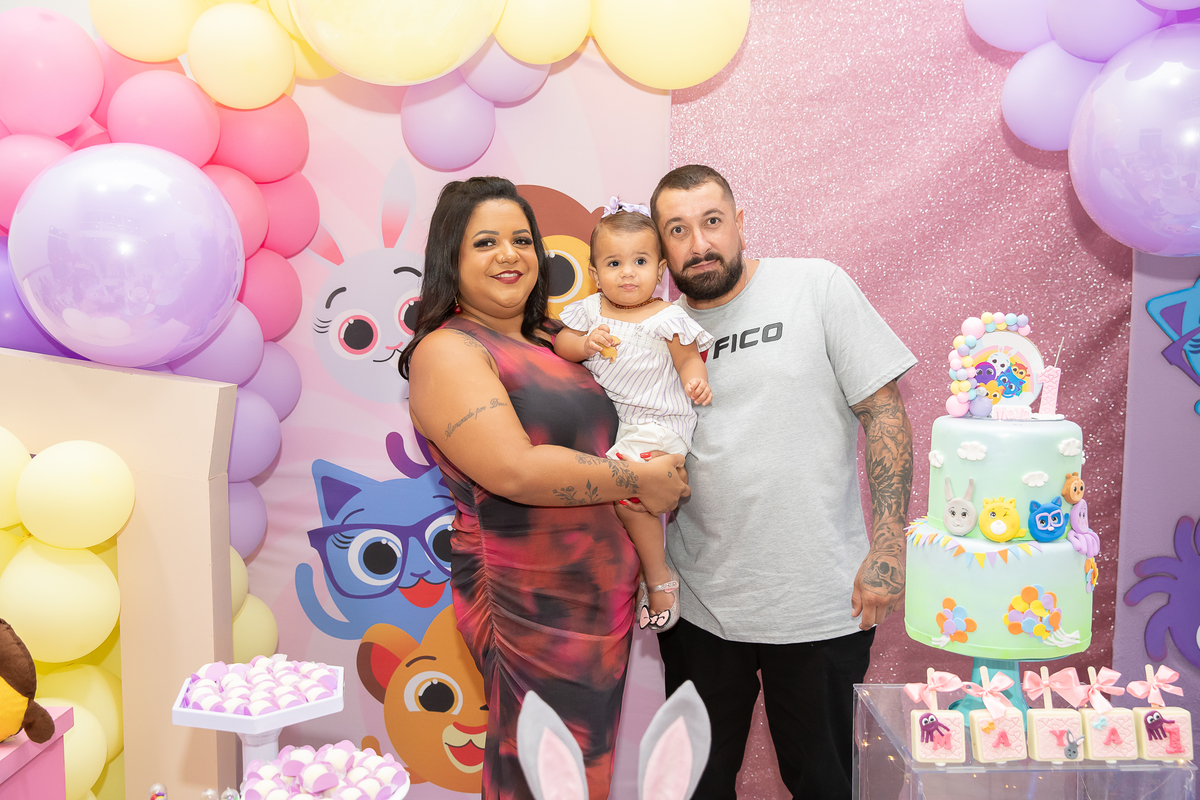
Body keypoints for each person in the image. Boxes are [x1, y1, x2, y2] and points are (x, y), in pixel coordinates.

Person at [398, 176, 690, 800]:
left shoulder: (552, 338)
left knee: (582, 775)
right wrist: (641, 479)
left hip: (599, 599)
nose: (509, 255)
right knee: (539, 774)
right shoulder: (448, 350)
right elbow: (515, 471)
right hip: (528, 603)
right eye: (485, 242)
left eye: (522, 240)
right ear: (451, 257)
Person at [649, 165, 916, 800]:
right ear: (661, 249)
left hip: (822, 603)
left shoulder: (815, 286)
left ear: (740, 223)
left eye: (712, 222)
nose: (699, 244)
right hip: (701, 608)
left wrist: (889, 545)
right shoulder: (657, 334)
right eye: (678, 230)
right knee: (694, 787)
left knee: (825, 785)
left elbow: (882, 411)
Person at [554, 199, 714, 631]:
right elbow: (561, 345)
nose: (628, 273)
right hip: (622, 423)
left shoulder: (666, 316)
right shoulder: (591, 312)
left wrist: (695, 380)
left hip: (661, 423)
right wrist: (584, 343)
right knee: (616, 499)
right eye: (614, 263)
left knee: (626, 491)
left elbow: (688, 359)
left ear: (660, 270)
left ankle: (657, 575)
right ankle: (645, 569)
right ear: (595, 273)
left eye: (640, 261)